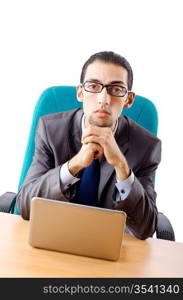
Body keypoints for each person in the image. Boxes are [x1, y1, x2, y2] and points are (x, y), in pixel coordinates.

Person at [16, 51, 161, 239]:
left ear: (129, 100)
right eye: (93, 86)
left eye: (116, 89)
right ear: (80, 93)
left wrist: (122, 167)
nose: (104, 99)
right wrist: (74, 165)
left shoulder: (147, 146)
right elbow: (25, 205)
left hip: (108, 249)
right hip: (52, 238)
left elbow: (146, 227)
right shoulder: (50, 130)